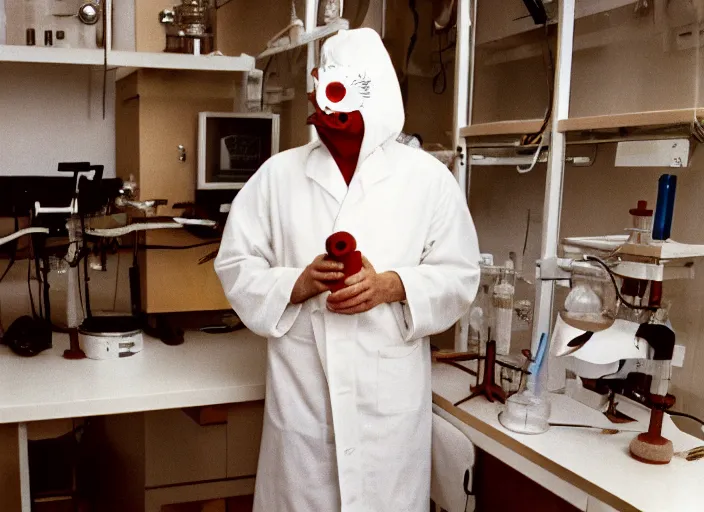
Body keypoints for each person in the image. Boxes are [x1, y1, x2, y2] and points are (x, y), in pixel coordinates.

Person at [215, 28, 480, 512]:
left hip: (389, 414)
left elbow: (459, 275)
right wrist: (296, 283)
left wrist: (391, 286)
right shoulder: (278, 176)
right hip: (304, 408)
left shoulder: (427, 181)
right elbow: (234, 262)